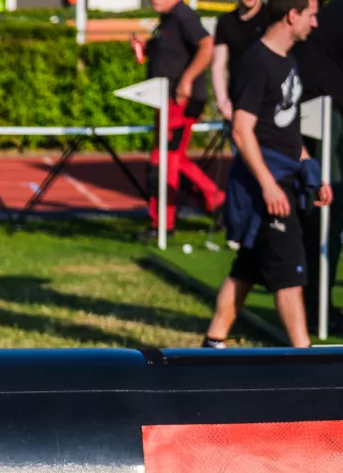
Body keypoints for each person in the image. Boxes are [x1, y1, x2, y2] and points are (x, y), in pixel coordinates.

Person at [204, 0, 330, 349]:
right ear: (293, 15)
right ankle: (304, 358)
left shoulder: (288, 61)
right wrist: (269, 186)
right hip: (266, 189)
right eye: (311, 15)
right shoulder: (256, 63)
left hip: (283, 181)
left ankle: (212, 344)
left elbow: (286, 131)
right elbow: (242, 131)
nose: (315, 23)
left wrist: (311, 169)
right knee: (289, 275)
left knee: (246, 269)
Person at [133, 0, 223, 233]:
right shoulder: (168, 18)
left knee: (164, 159)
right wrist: (146, 48)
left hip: (180, 101)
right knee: (172, 159)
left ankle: (163, 223)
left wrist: (187, 80)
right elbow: (169, 54)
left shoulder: (183, 15)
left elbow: (206, 45)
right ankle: (216, 201)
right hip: (165, 100)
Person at [296, 0, 343, 327]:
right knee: (327, 211)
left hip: (315, 114)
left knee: (321, 210)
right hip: (325, 118)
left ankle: (312, 300)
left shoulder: (329, 14)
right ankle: (315, 304)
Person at [212, 0, 268, 125]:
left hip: (267, 105)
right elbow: (218, 66)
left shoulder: (272, 18)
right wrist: (222, 102)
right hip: (237, 104)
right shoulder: (226, 22)